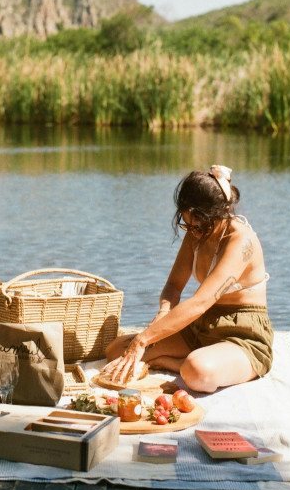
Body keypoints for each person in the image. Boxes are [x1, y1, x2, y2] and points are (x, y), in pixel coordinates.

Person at [103, 165, 273, 393]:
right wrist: (164, 313)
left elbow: (201, 302)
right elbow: (173, 286)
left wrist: (143, 340)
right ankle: (184, 359)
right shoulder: (196, 233)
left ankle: (172, 363)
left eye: (200, 225)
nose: (194, 232)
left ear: (222, 211)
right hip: (201, 327)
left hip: (242, 334)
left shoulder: (241, 241)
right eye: (188, 225)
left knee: (197, 371)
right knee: (116, 350)